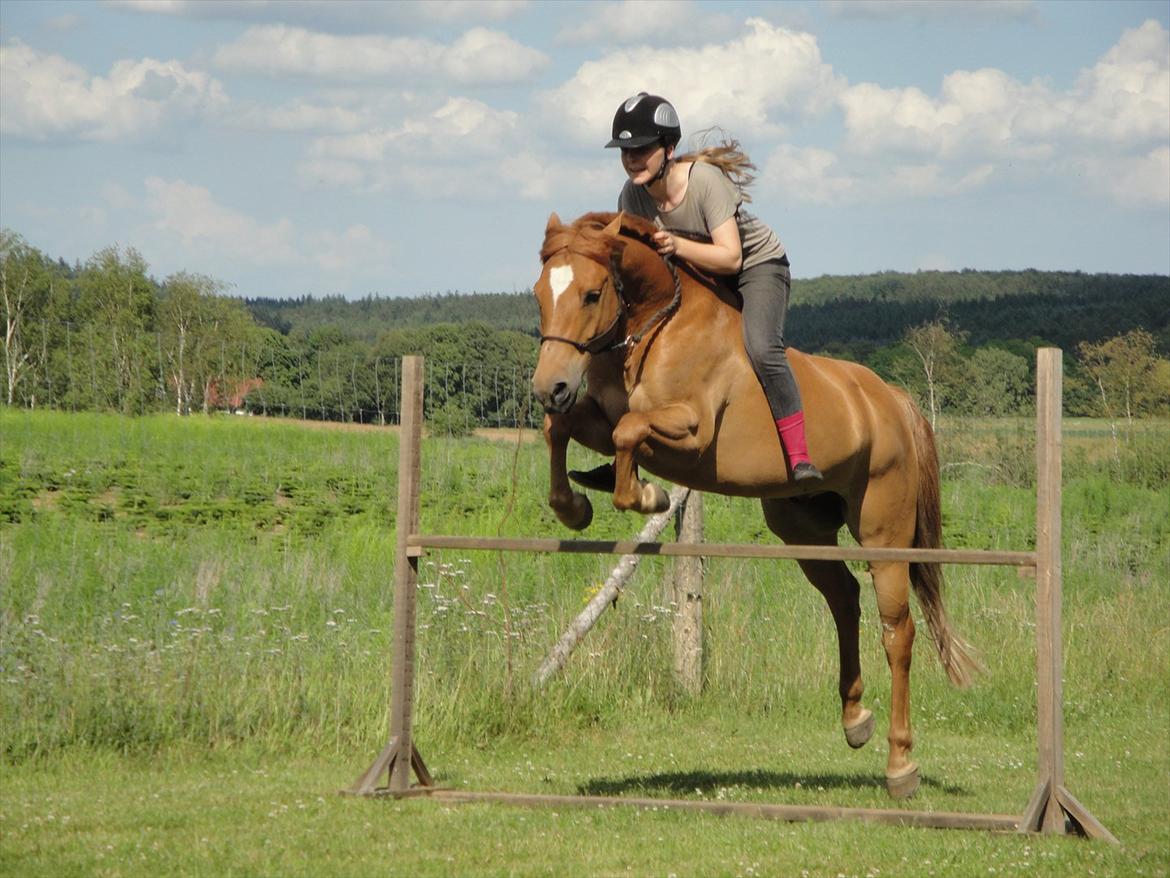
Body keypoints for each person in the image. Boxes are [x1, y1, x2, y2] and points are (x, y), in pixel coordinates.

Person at [576, 92, 822, 486]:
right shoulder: (632, 195)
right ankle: (625, 462)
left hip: (755, 267)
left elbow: (730, 259)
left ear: (669, 149)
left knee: (761, 347)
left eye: (641, 149)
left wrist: (678, 245)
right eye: (625, 151)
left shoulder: (704, 182)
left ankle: (799, 456)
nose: (632, 159)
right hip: (690, 267)